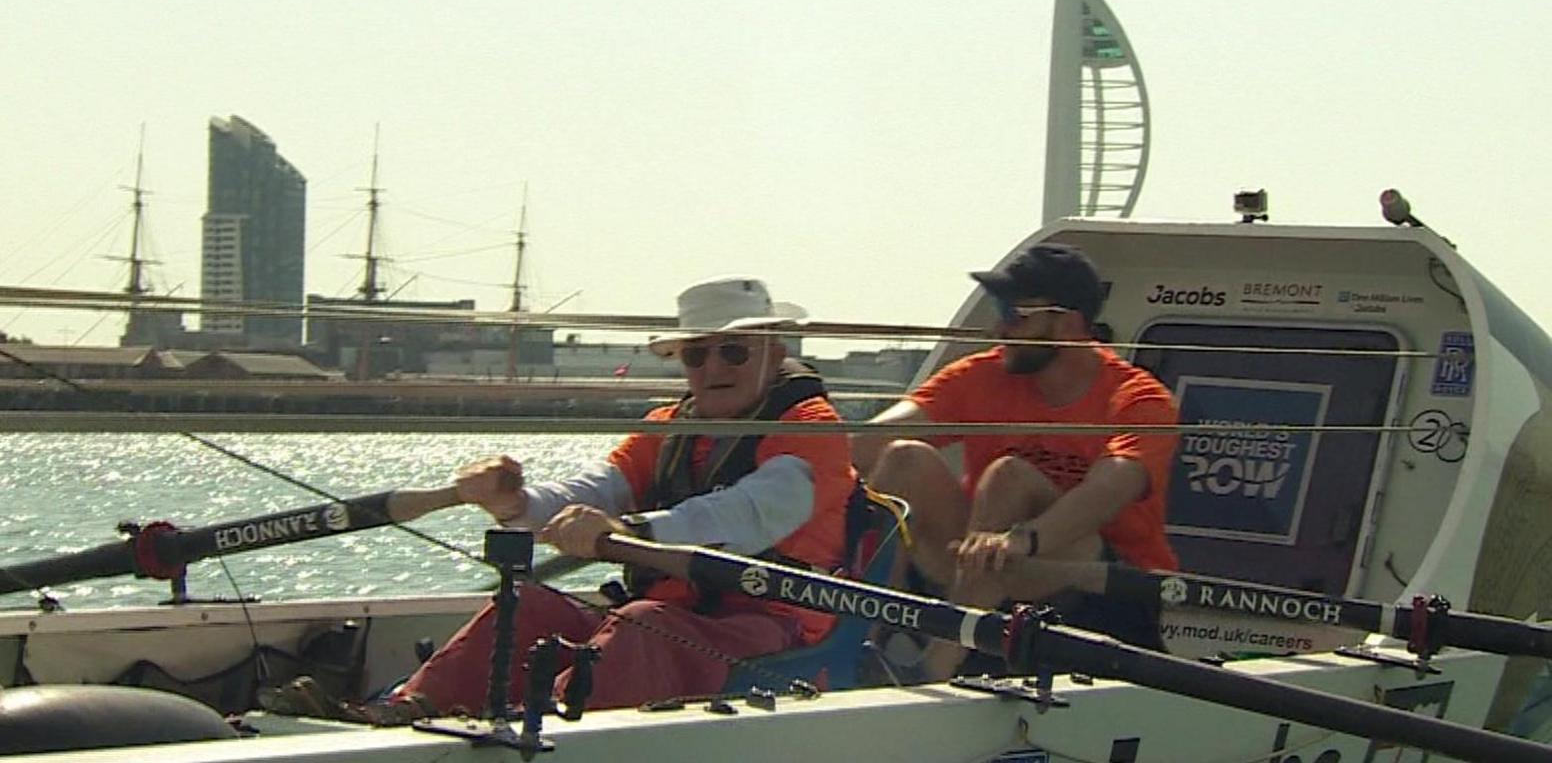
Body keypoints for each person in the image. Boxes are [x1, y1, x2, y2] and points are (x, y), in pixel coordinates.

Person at [393, 277, 858, 714]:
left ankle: (552, 724)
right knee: (529, 602)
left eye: (733, 353)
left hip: (772, 626)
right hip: (667, 615)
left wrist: (625, 530)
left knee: (642, 623)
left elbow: (743, 517)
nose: (713, 368)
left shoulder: (811, 429)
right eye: (696, 356)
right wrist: (515, 503)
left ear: (774, 356)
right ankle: (408, 708)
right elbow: (598, 487)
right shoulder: (666, 428)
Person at [853, 243, 1179, 679]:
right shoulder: (984, 375)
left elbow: (1111, 489)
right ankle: (863, 645)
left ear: (1067, 324)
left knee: (1010, 477)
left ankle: (935, 668)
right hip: (983, 573)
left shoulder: (1139, 399)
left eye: (1013, 314)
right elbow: (871, 442)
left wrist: (1022, 541)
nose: (998, 328)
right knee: (903, 458)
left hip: (1100, 591)